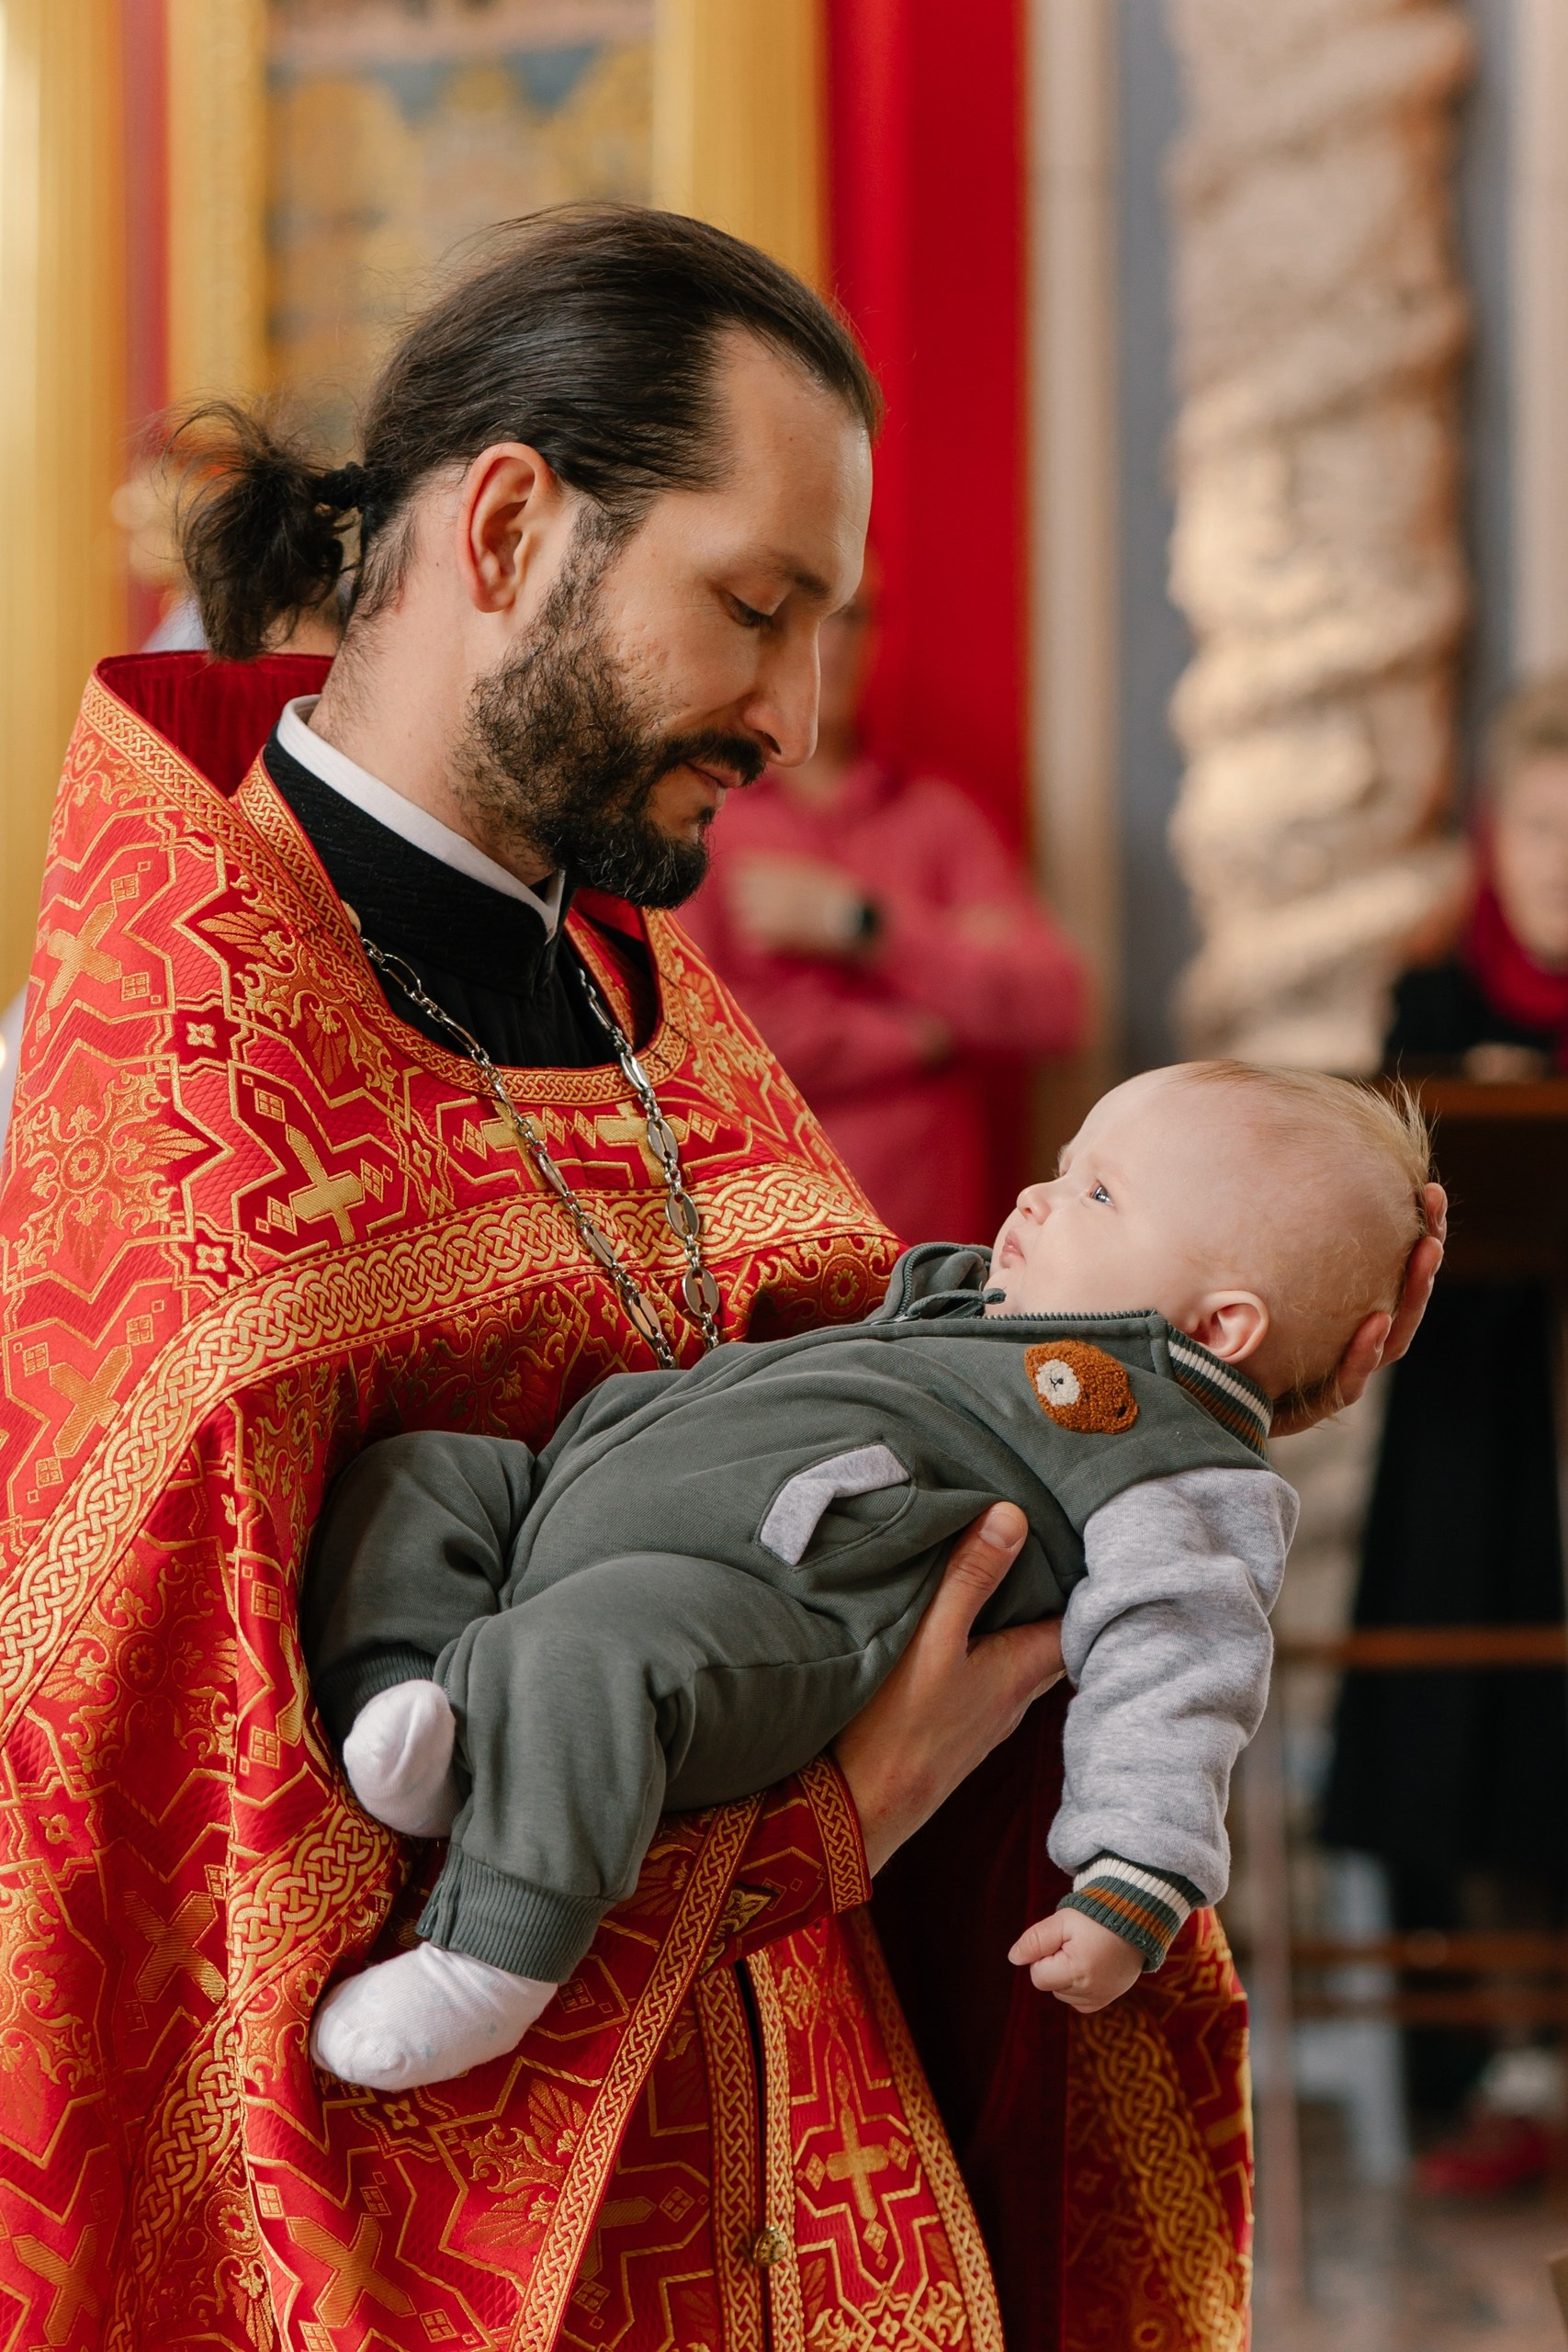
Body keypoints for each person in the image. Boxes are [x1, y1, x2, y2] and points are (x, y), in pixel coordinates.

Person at [0, 207, 1442, 2352]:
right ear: (508, 529)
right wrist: (820, 1816)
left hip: (843, 2192)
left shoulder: (635, 987)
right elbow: (187, 1896)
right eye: (752, 608)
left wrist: (1220, 1371)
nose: (790, 709)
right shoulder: (180, 1068)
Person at [303, 1060, 1428, 2094]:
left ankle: (488, 1960)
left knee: (581, 1657)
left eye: (1098, 1194)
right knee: (417, 1477)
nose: (1036, 1197)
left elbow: (1180, 1658)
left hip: (761, 1607)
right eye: (1064, 1165)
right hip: (574, 1493)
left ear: (1222, 1324)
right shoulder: (988, 1310)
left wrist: (1133, 1876)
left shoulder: (1165, 1453)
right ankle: (413, 1706)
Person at [1325, 675, 1568, 2194]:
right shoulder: (1432, 993)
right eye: (1541, 826)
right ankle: (1506, 2061)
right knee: (1474, 1730)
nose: (1561, 863)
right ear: (1494, 831)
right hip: (1477, 1445)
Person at [680, 558, 1085, 1240]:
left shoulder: (939, 818)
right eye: (806, 616)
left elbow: (1057, 1005)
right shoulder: (702, 818)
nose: (834, 641)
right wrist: (924, 1031)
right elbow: (708, 1047)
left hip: (932, 1250)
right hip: (764, 1235)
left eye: (853, 617)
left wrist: (862, 922)